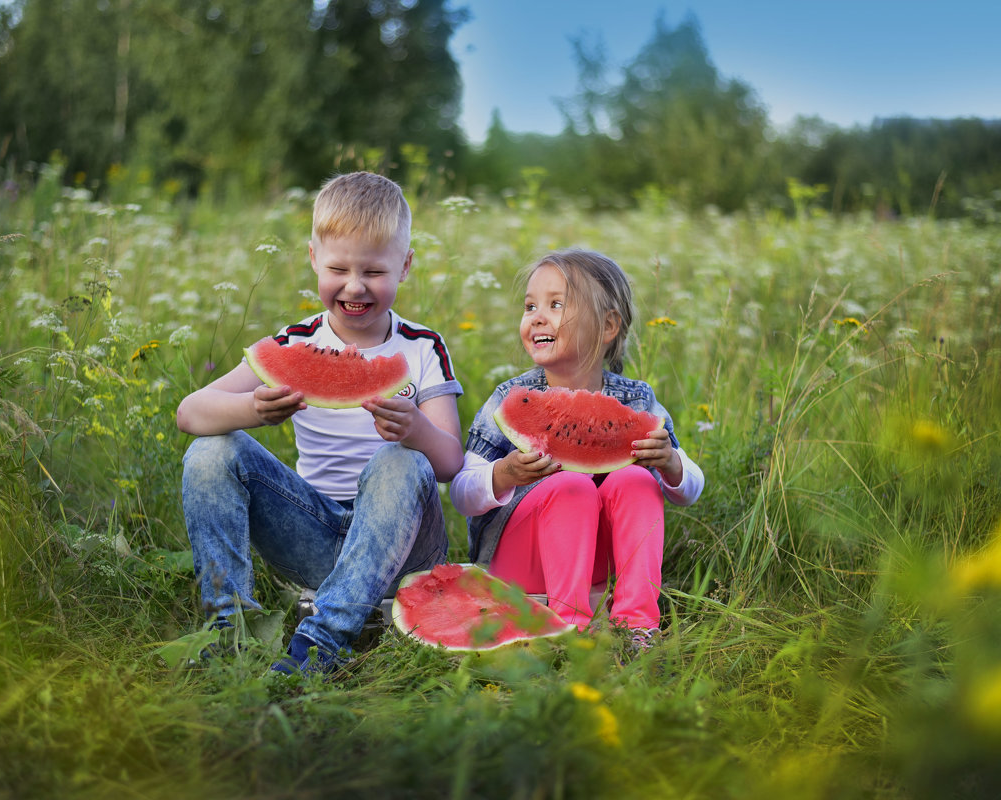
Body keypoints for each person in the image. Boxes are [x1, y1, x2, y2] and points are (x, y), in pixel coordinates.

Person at [177, 172, 464, 674]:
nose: (355, 286)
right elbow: (190, 413)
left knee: (401, 460)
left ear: (406, 265)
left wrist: (415, 430)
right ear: (313, 259)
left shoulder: (422, 348)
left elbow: (449, 463)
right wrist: (254, 410)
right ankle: (229, 634)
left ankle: (322, 643)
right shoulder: (291, 344)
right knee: (210, 450)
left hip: (406, 550)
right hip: (316, 535)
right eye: (338, 268)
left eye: (375, 272)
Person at [449, 248, 703, 649]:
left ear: (607, 326)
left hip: (597, 567)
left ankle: (638, 625)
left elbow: (691, 489)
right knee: (574, 487)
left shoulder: (635, 401)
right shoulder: (510, 398)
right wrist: (505, 474)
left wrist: (672, 464)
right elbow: (462, 493)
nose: (537, 316)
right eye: (530, 305)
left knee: (636, 480)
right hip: (519, 561)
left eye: (556, 304)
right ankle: (570, 630)